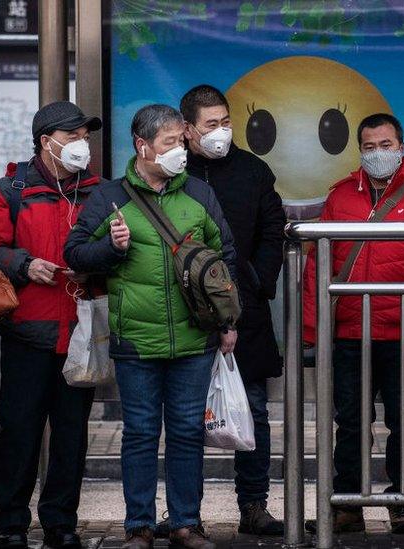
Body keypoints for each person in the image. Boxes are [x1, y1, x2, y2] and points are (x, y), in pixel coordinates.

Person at [64, 104, 238, 549]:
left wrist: (227, 322)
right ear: (143, 147)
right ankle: (138, 526)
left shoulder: (199, 194)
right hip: (136, 340)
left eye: (181, 142)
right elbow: (76, 254)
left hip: (194, 339)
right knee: (140, 434)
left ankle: (185, 523)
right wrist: (113, 248)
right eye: (170, 143)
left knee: (185, 431)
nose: (180, 150)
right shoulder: (110, 197)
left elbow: (226, 259)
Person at [302, 113, 404, 535]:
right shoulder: (341, 196)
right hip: (349, 332)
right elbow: (319, 262)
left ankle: (402, 502)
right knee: (349, 420)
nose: (377, 154)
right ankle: (347, 504)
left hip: (402, 333)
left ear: (401, 146)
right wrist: (314, 328)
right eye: (368, 147)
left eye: (385, 145)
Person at [0, 101, 102, 549]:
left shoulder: (99, 191)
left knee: (71, 436)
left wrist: (97, 266)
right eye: (73, 137)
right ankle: (10, 525)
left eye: (85, 137)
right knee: (20, 431)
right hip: (27, 331)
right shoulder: (7, 191)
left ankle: (60, 523)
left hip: (83, 333)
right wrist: (24, 265)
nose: (82, 145)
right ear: (46, 141)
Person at [179, 84, 287, 535]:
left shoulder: (253, 171)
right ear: (187, 130)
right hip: (183, 315)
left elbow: (272, 231)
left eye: (226, 122)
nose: (221, 132)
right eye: (211, 125)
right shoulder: (174, 172)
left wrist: (256, 282)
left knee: (254, 410)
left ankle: (254, 504)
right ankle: (186, 514)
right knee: (184, 417)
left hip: (245, 312)